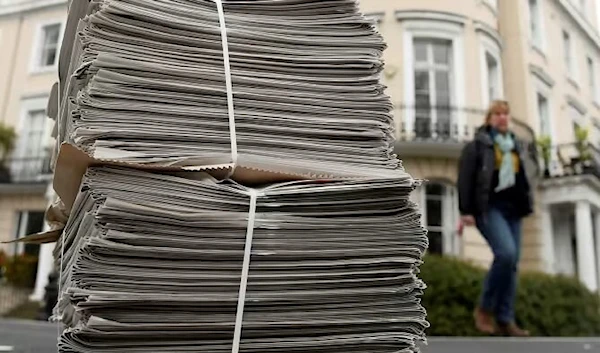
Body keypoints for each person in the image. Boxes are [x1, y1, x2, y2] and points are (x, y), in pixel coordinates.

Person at [457, 100, 533, 337]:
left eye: (506, 114)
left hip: (514, 210)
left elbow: (523, 179)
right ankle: (484, 307)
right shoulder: (478, 146)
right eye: (497, 113)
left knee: (511, 266)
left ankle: (505, 319)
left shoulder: (514, 146)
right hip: (489, 208)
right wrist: (466, 211)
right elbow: (465, 178)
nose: (502, 117)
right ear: (489, 118)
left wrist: (527, 202)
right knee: (506, 254)